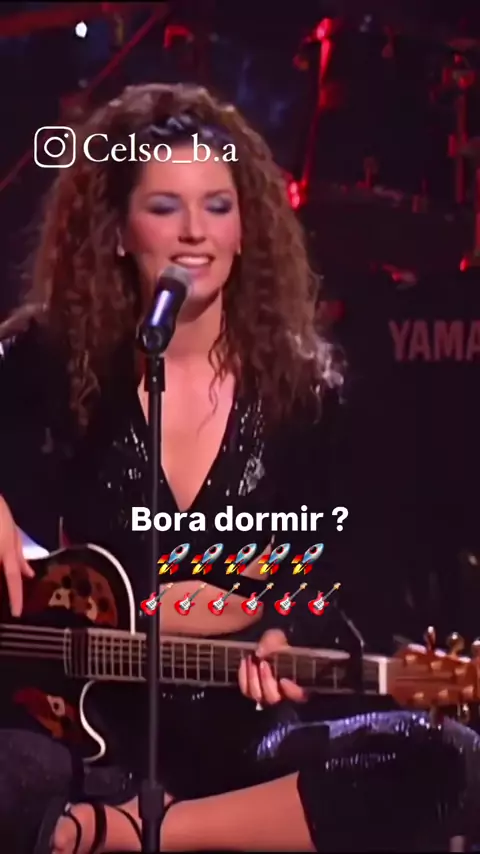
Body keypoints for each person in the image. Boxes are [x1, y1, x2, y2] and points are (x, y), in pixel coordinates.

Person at [0, 81, 478, 854]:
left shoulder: (304, 394)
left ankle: (144, 833)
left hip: (241, 734)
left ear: (245, 226)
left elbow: (337, 573)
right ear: (116, 232)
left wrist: (290, 629)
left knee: (445, 757)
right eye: (165, 207)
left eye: (217, 206)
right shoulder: (53, 363)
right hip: (80, 733)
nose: (195, 232)